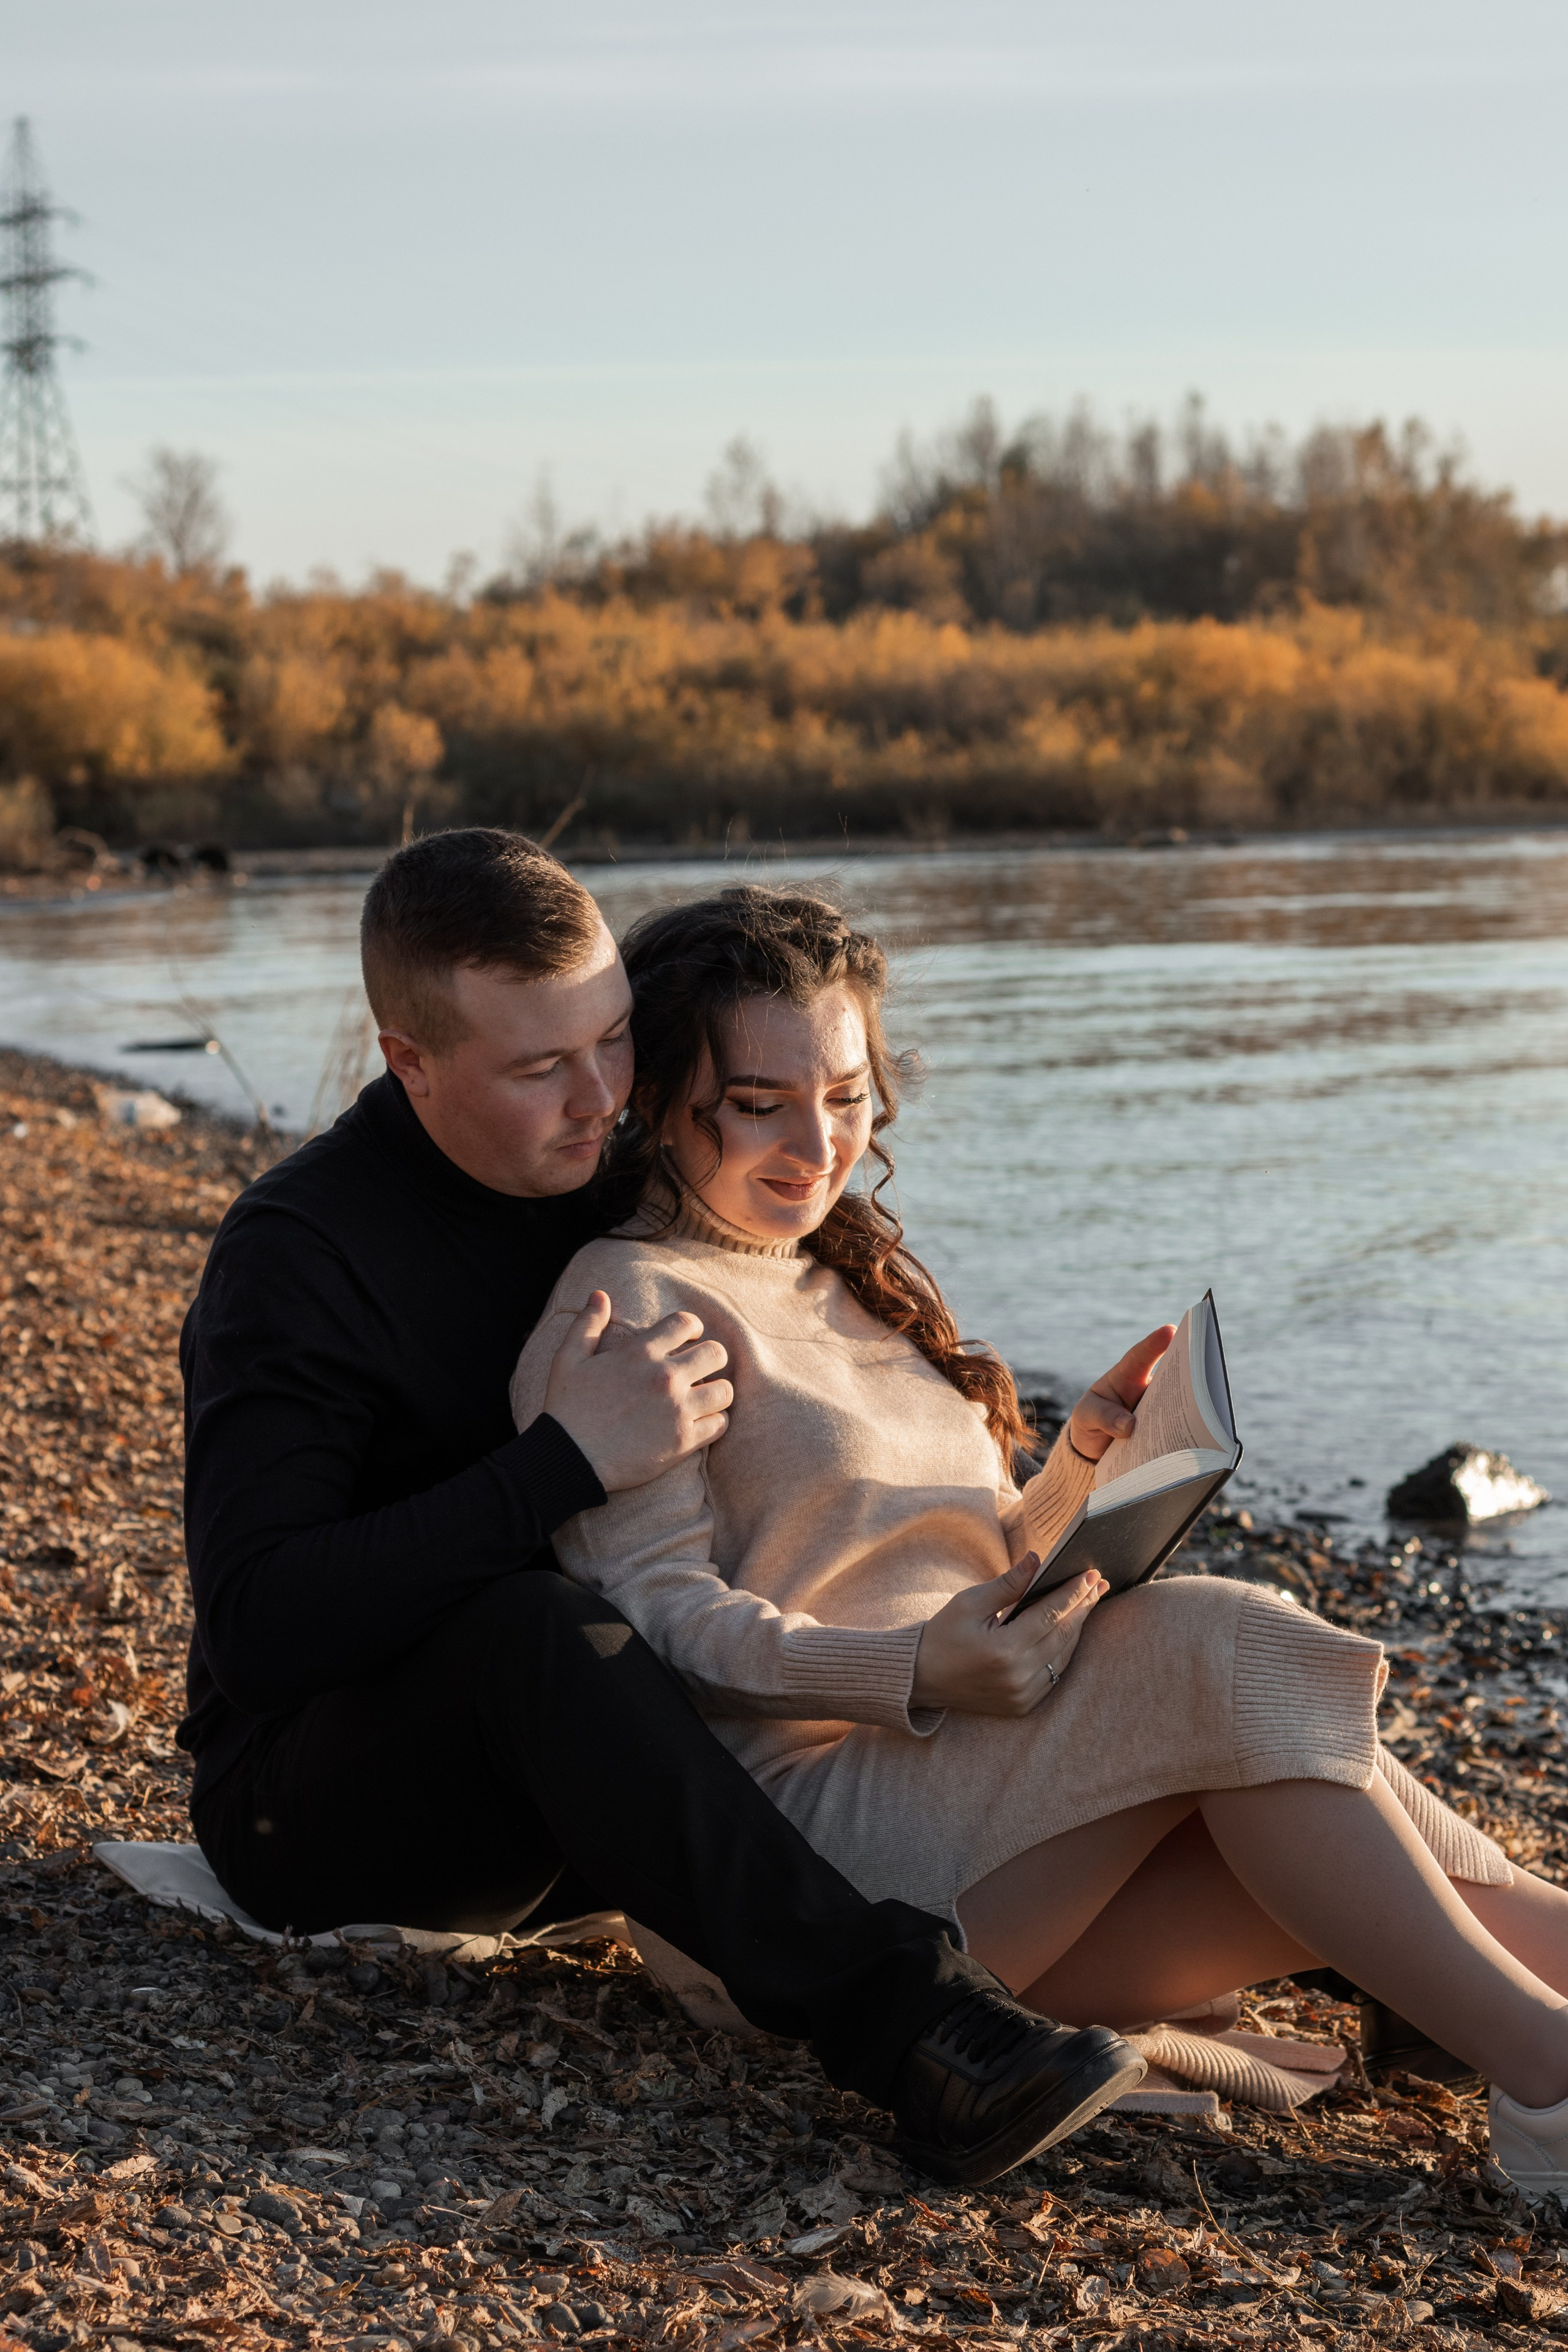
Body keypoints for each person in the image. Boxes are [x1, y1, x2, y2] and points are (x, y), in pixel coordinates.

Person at [510, 880, 1568, 2204]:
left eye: (844, 1098)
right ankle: (1545, 2085)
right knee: (1219, 1644)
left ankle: (1545, 2036)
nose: (815, 1143)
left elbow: (955, 1563)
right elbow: (652, 1627)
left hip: (982, 1799)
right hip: (814, 1861)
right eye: (758, 1103)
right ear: (660, 1096)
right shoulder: (631, 1302)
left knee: (1326, 1823)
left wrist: (1081, 1472)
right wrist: (904, 1672)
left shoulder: (836, 1272)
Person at [178, 826, 1145, 2190]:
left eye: (613, 1042)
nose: (599, 1098)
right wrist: (560, 1464)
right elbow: (262, 1626)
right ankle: (915, 2031)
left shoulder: (610, 1176)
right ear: (408, 1061)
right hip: (331, 1811)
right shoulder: (301, 1254)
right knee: (534, 1624)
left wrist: (1070, 1486)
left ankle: (1352, 1920)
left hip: (633, 1789)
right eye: (537, 1069)